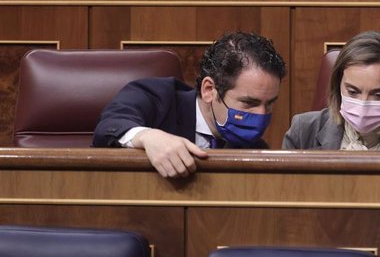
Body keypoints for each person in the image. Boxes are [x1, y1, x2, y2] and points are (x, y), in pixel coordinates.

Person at [93, 31, 286, 177]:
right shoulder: (159, 98)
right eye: (248, 102)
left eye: (269, 104)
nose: (261, 115)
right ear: (209, 90)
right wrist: (148, 137)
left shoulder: (255, 148)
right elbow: (109, 127)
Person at [282, 31, 380, 150]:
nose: (363, 103)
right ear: (337, 86)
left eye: (378, 95)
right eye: (353, 92)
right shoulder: (303, 131)